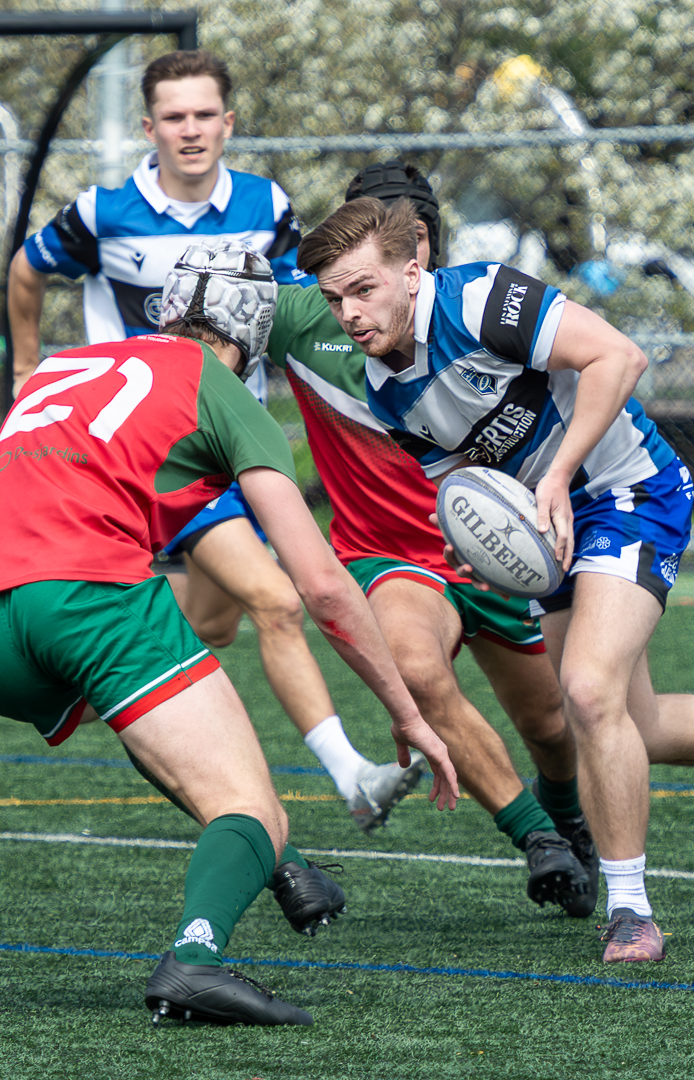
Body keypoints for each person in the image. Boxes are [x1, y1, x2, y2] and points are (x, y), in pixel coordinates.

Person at [0, 243, 458, 1026]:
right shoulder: (224, 391)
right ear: (250, 332)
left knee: (166, 731)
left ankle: (281, 864)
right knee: (252, 806)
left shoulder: (60, 372)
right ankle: (197, 956)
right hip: (86, 599)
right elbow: (319, 583)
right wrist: (407, 714)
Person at [294, 196, 694, 963]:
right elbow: (466, 477)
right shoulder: (384, 388)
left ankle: (631, 912)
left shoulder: (480, 298)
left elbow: (619, 357)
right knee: (635, 723)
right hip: (553, 526)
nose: (350, 313)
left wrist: (559, 474)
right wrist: (476, 537)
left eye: (363, 289)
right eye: (335, 299)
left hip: (629, 491)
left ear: (411, 269)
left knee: (592, 694)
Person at [8, 48, 423, 832]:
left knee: (213, 623)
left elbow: (303, 307)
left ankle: (70, 661)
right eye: (174, 116)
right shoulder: (104, 212)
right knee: (275, 598)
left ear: (228, 123)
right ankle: (353, 775)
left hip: (232, 443)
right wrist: (30, 369)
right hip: (161, 451)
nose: (190, 130)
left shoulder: (267, 206)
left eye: (204, 115)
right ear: (149, 126)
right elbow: (25, 271)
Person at [185, 161, 596, 917]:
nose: (350, 300)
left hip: (495, 550)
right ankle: (537, 836)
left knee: (549, 724)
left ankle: (564, 811)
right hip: (390, 556)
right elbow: (211, 316)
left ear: (420, 248)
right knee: (416, 668)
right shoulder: (308, 312)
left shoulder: (472, 311)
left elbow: (585, 368)